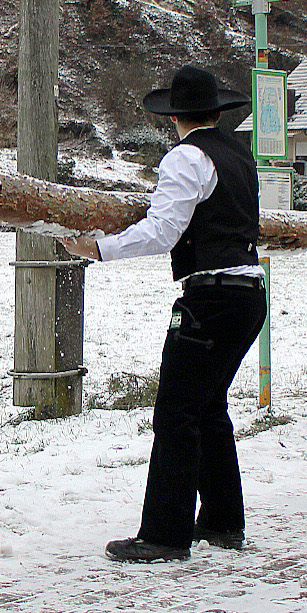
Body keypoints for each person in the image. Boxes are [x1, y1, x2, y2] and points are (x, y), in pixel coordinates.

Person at [66, 66, 264, 563]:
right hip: (248, 292)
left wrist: (100, 247)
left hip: (211, 295)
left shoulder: (186, 157)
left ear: (174, 116)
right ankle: (222, 522)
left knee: (177, 414)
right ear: (218, 111)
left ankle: (165, 534)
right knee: (209, 407)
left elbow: (164, 230)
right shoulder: (240, 153)